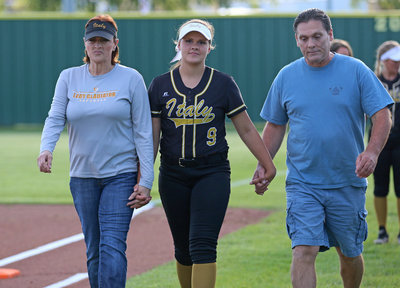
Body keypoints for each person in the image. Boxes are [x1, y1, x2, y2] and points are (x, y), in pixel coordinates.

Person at [253, 8, 393, 288]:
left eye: (316, 36)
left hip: (347, 182)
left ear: (330, 35)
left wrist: (372, 152)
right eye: (303, 38)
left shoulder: (356, 70)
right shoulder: (286, 76)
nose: (310, 44)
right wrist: (264, 163)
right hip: (303, 184)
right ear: (296, 40)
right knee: (304, 250)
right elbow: (275, 125)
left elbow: (382, 115)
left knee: (350, 254)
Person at [148, 19, 276, 288]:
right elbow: (152, 138)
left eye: (201, 42)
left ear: (210, 47)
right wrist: (143, 178)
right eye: (189, 41)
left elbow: (247, 129)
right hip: (173, 174)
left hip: (212, 172)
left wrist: (267, 164)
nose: (195, 46)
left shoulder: (223, 83)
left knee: (203, 244)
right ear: (179, 45)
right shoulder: (160, 85)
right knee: (183, 249)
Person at [37, 14, 154, 288]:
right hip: (82, 177)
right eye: (93, 40)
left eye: (104, 40)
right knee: (94, 249)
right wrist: (46, 149)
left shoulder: (131, 78)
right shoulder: (68, 77)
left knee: (112, 245)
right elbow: (55, 118)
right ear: (85, 45)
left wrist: (145, 181)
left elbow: (144, 132)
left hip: (121, 175)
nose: (98, 45)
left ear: (115, 44)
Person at [371, 40, 400, 244]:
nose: (397, 64)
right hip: (379, 143)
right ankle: (382, 230)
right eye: (393, 60)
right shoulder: (373, 81)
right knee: (380, 187)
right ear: (383, 60)